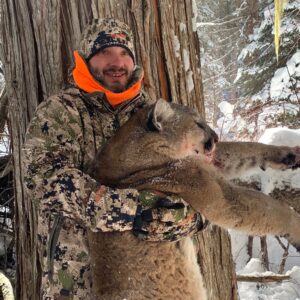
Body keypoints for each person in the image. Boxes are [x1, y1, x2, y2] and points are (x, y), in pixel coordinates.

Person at [23, 18, 204, 299]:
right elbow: (43, 179)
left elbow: (202, 182)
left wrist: (188, 218)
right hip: (80, 282)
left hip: (155, 283)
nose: (116, 62)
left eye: (123, 54)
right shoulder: (61, 111)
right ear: (87, 59)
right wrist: (134, 210)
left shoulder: (159, 117)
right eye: (105, 53)